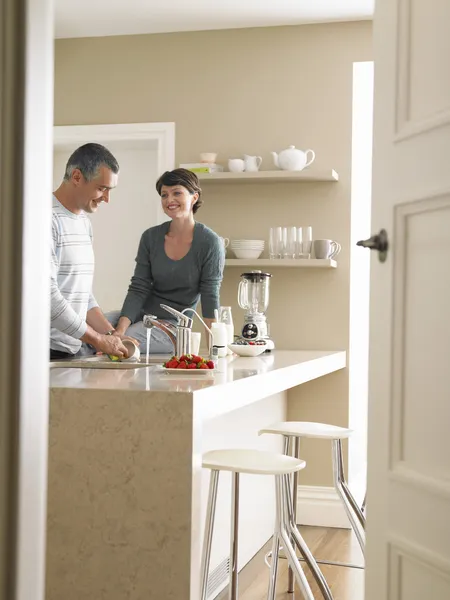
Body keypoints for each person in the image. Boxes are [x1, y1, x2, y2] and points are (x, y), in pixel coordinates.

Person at [108, 168, 225, 353]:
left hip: (172, 327)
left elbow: (210, 297)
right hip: (139, 316)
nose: (169, 200)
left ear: (194, 197)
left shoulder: (210, 242)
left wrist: (217, 349)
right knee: (93, 330)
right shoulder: (150, 237)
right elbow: (139, 287)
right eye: (164, 195)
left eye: (177, 193)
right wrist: (118, 332)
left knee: (123, 340)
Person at [50, 143, 130, 360]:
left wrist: (111, 335)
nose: (106, 198)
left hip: (72, 349)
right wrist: (98, 339)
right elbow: (47, 296)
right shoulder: (46, 219)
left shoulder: (84, 223)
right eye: (102, 188)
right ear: (77, 177)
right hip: (44, 351)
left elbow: (82, 294)